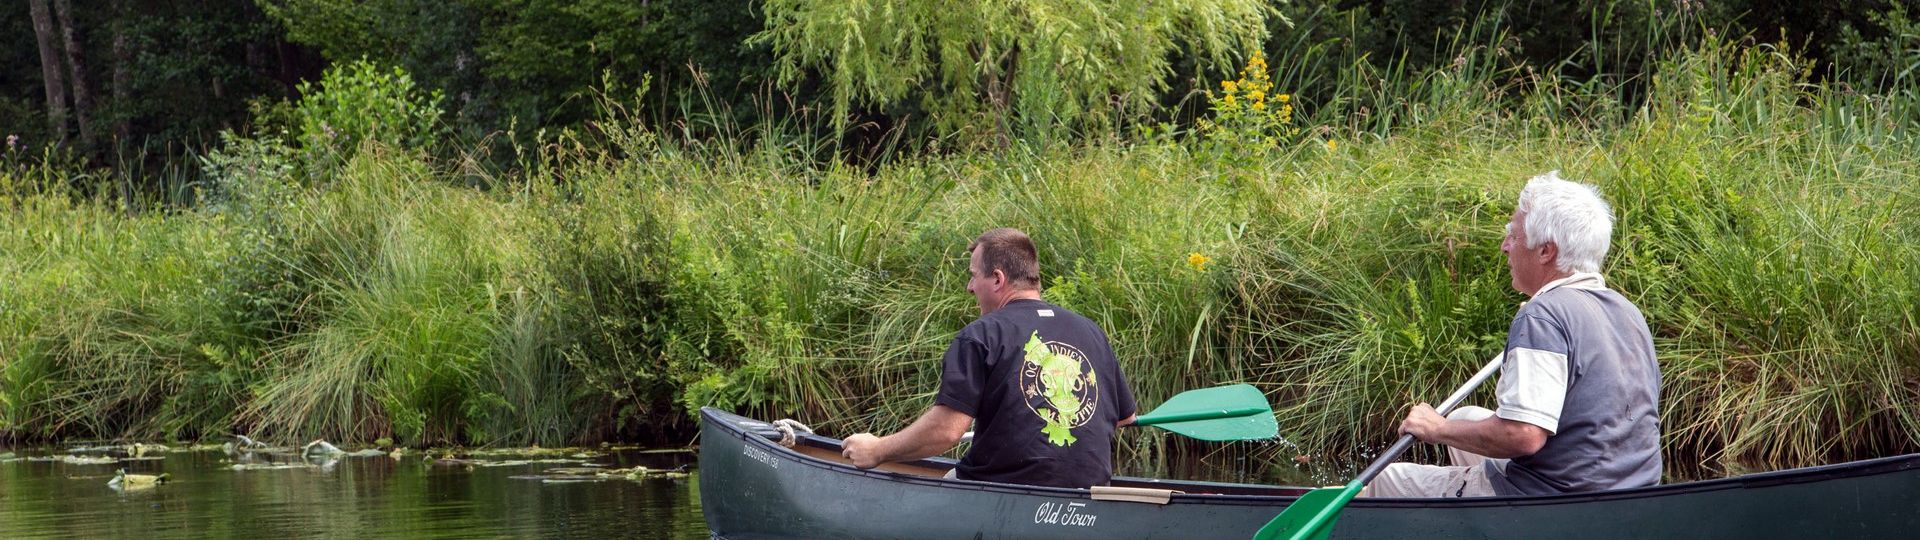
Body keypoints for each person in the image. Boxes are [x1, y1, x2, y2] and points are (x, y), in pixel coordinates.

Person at [1367, 171, 1661, 498]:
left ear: (1546, 251)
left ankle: (1471, 505)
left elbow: (1523, 435)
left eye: (1514, 235)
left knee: (1385, 479)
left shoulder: (1543, 317)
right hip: (1632, 494)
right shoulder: (1626, 311)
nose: (1505, 246)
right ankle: (1464, 502)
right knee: (1465, 416)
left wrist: (1438, 429)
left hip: (1556, 501)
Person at [840, 228, 1139, 489]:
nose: (970, 287)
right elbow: (1126, 418)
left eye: (973, 276)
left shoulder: (981, 335)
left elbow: (946, 432)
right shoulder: (1091, 332)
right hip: (1091, 490)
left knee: (948, 482)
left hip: (1006, 490)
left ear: (997, 279)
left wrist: (878, 449)